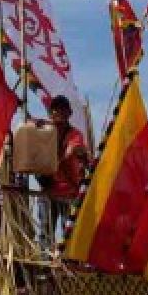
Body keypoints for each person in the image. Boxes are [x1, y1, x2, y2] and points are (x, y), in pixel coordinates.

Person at [38, 95, 89, 243]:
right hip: (47, 191)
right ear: (50, 112)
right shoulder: (43, 131)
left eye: (62, 109)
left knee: (68, 236)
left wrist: (73, 152)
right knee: (45, 234)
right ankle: (45, 265)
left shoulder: (75, 134)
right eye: (54, 109)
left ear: (69, 113)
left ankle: (65, 263)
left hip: (68, 192)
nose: (58, 112)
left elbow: (74, 150)